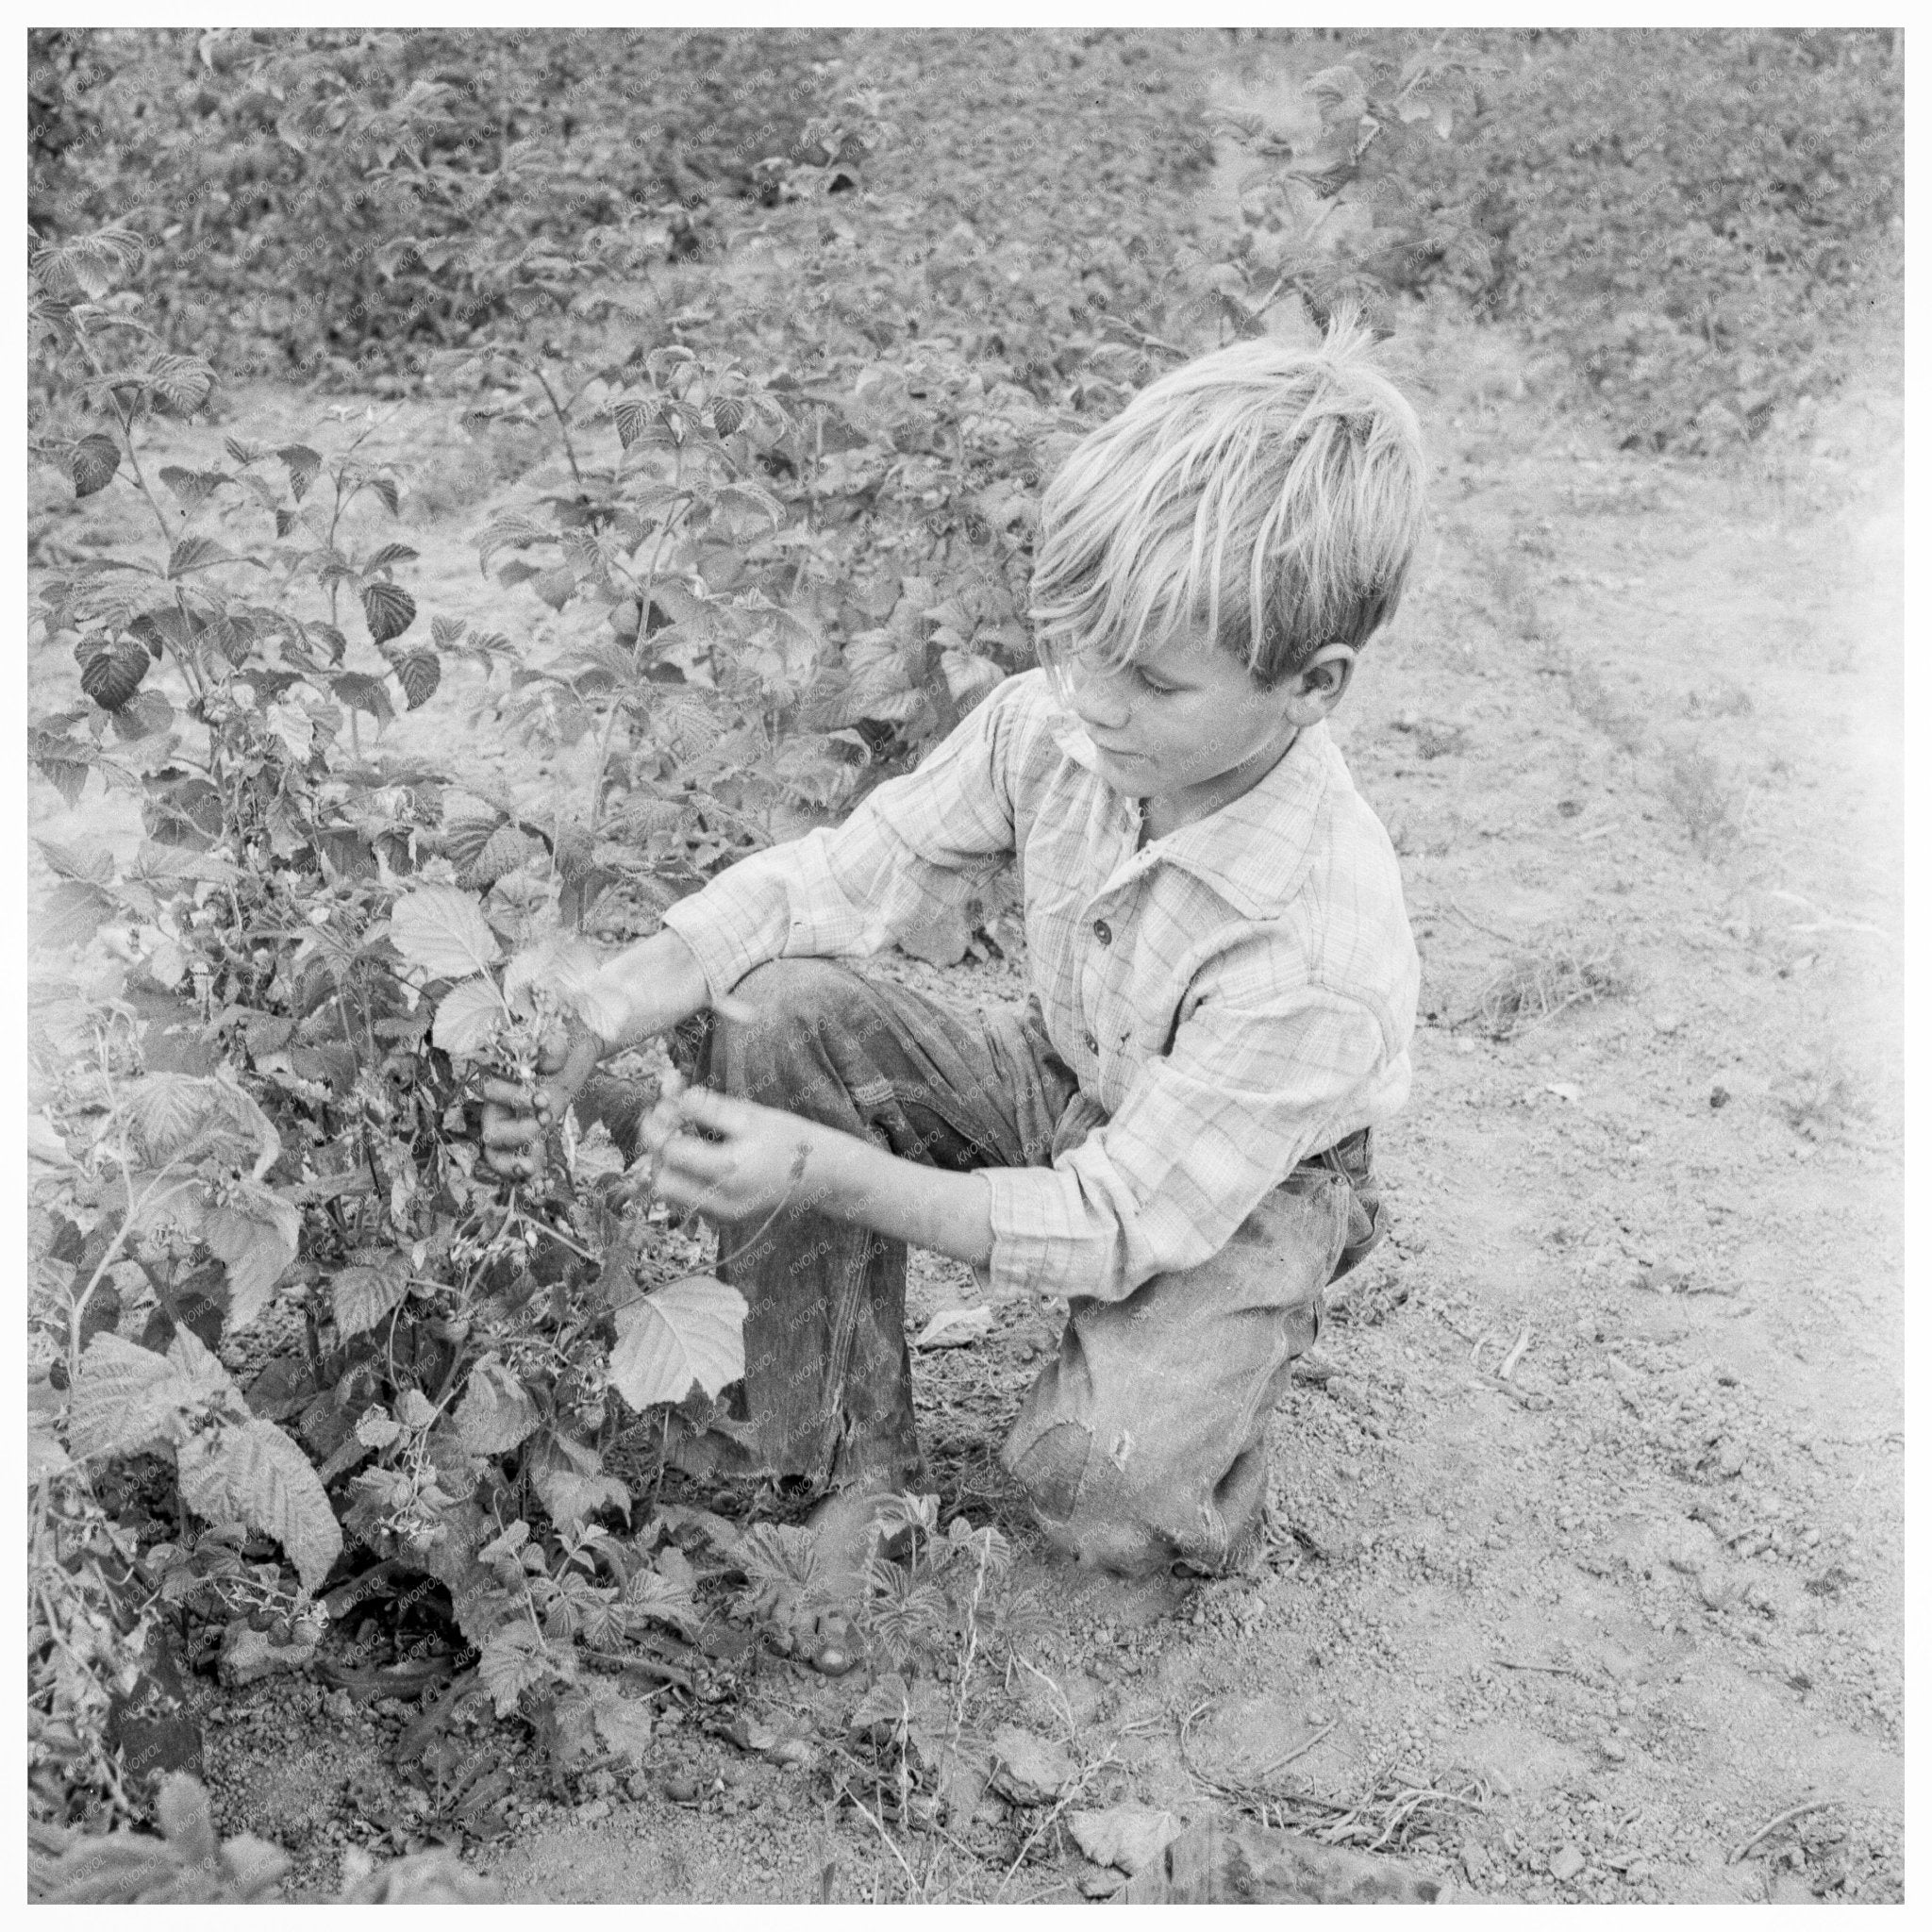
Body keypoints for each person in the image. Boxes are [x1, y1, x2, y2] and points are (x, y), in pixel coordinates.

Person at [482, 315, 1424, 1614]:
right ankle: (832, 1452)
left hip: (1249, 1185)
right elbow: (843, 879)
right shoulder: (1062, 728)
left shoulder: (1310, 943)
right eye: (1072, 643)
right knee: (783, 1010)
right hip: (1071, 1070)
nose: (1094, 700)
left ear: (1311, 684)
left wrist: (821, 1169)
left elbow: (1115, 1218)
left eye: (1151, 679)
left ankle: (1210, 1412)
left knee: (1094, 1495)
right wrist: (638, 981)